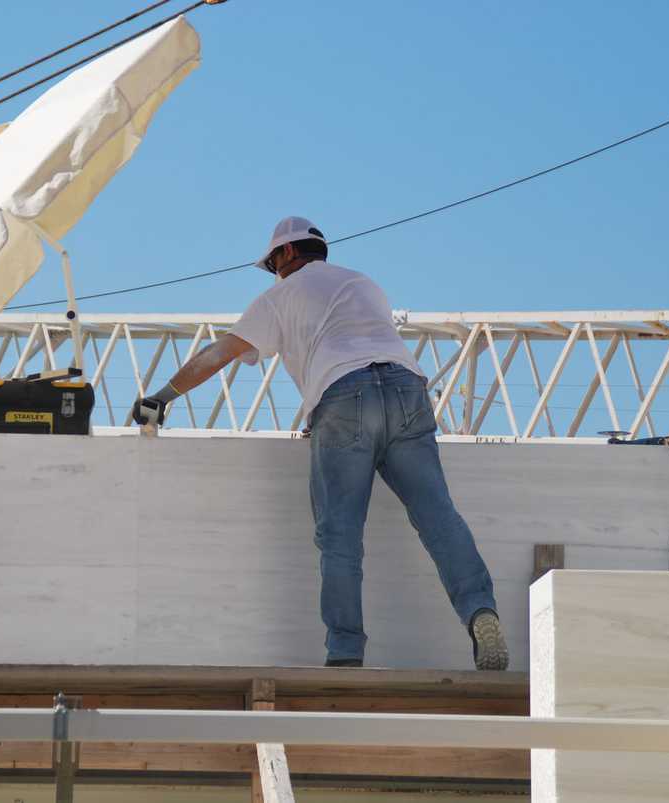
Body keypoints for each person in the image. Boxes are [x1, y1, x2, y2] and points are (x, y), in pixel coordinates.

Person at [132, 216, 508, 670]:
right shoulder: (363, 284)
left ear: (287, 253)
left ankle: (346, 653)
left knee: (340, 536)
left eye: (273, 263)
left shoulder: (280, 296)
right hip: (408, 389)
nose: (273, 272)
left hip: (342, 395)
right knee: (437, 516)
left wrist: (161, 397)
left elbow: (219, 354)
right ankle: (480, 612)